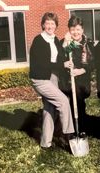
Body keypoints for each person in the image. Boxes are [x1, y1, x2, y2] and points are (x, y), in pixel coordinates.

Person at [29, 12, 75, 149]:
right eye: (47, 23)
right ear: (43, 24)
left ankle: (46, 142)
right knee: (63, 101)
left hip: (52, 76)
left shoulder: (54, 39)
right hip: (40, 78)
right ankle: (69, 135)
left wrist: (66, 45)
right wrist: (63, 65)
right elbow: (44, 64)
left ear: (56, 26)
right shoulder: (39, 40)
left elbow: (60, 57)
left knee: (49, 108)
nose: (50, 26)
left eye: (53, 23)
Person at [59, 15, 94, 132]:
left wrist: (82, 70)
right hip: (66, 82)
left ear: (82, 30)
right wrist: (65, 45)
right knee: (69, 104)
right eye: (73, 29)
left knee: (78, 101)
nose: (75, 32)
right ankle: (71, 128)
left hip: (83, 82)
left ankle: (80, 127)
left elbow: (94, 63)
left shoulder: (88, 44)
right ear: (69, 30)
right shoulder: (64, 44)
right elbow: (58, 59)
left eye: (78, 29)